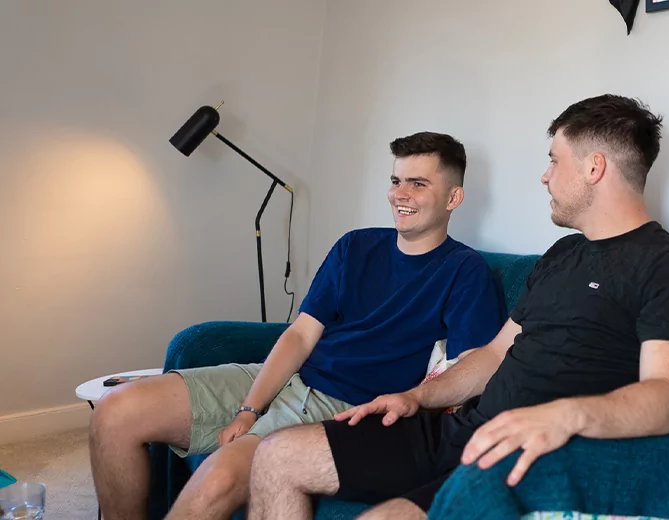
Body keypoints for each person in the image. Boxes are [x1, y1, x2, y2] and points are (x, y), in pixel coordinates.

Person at [246, 95, 669, 520]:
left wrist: (563, 416)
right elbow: (492, 356)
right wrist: (418, 397)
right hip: (460, 432)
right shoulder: (560, 257)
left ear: (594, 168)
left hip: (526, 453)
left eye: (554, 160)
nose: (545, 174)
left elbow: (668, 396)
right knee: (275, 455)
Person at [88, 131, 506, 520]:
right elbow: (301, 334)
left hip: (343, 406)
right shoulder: (356, 245)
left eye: (418, 183)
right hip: (292, 378)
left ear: (453, 197)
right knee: (116, 410)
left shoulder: (465, 271)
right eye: (395, 180)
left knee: (217, 478)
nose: (400, 194)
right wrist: (250, 408)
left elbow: (469, 367)